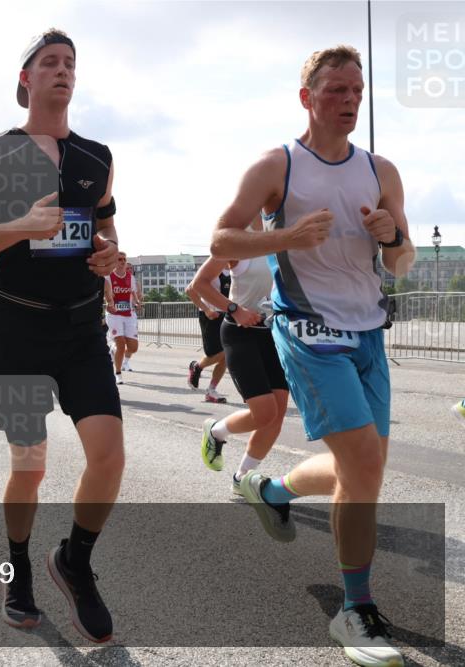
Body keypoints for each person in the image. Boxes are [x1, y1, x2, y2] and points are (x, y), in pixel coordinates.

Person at [209, 45, 415, 667]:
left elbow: (401, 261)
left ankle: (272, 489)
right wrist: (286, 237)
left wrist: (394, 237)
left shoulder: (381, 170)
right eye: (335, 91)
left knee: (364, 468)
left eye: (357, 91)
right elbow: (221, 237)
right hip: (307, 331)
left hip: (369, 334)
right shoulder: (279, 166)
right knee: (364, 469)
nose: (349, 101)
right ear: (307, 98)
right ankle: (355, 610)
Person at [0, 29, 122, 642]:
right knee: (30, 465)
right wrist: (20, 226)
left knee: (109, 456)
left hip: (81, 328)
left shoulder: (97, 156)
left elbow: (108, 233)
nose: (62, 70)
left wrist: (107, 256)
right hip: (17, 328)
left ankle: (74, 560)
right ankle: (19, 571)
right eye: (49, 62)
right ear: (26, 79)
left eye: (70, 62)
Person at [190, 246, 289, 496]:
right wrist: (234, 309)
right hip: (240, 333)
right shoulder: (237, 239)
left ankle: (241, 477)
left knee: (276, 416)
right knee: (265, 412)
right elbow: (198, 285)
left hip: (275, 335)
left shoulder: (286, 234)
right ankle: (215, 432)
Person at [186, 267, 231, 403]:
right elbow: (190, 291)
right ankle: (197, 367)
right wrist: (206, 309)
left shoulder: (237, 268)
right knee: (215, 353)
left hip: (229, 315)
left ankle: (211, 390)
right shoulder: (211, 268)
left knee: (227, 355)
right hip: (211, 316)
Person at [103, 252, 139, 384]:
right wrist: (109, 302)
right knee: (121, 344)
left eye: (124, 259)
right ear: (114, 261)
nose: (122, 261)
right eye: (119, 259)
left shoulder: (131, 278)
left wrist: (136, 303)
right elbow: (106, 294)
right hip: (114, 315)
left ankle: (115, 351)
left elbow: (133, 294)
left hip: (129, 315)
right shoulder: (108, 277)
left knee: (133, 347)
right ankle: (118, 373)